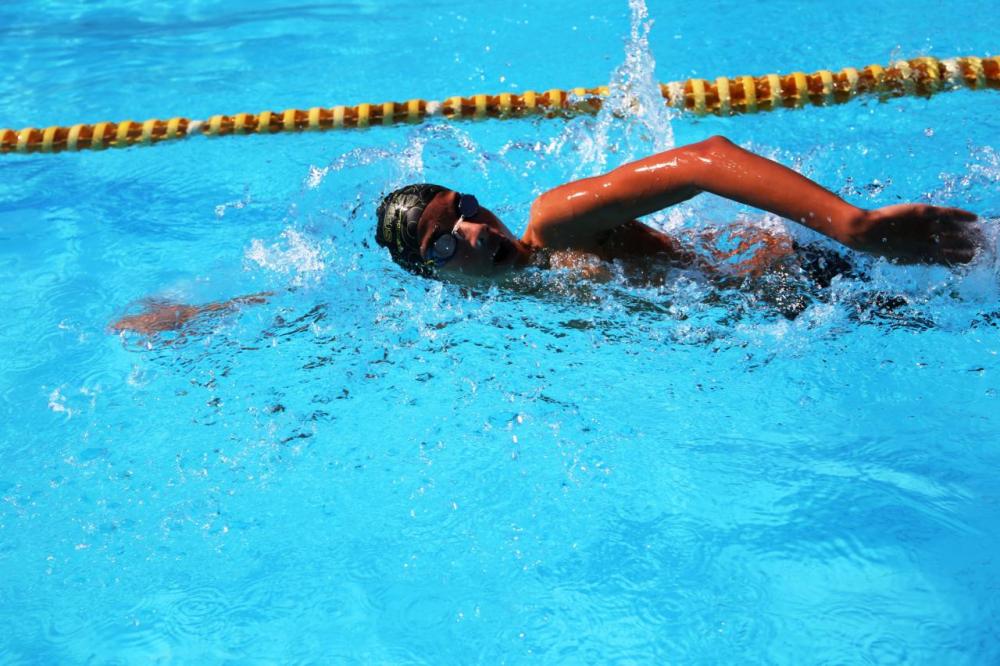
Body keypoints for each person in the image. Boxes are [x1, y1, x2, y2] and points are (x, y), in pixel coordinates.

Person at [113, 135, 980, 334]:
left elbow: (707, 159)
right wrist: (202, 316)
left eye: (469, 212)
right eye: (449, 246)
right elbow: (330, 306)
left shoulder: (558, 222)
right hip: (819, 316)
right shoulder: (484, 303)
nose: (482, 236)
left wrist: (856, 228)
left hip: (830, 272)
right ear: (436, 276)